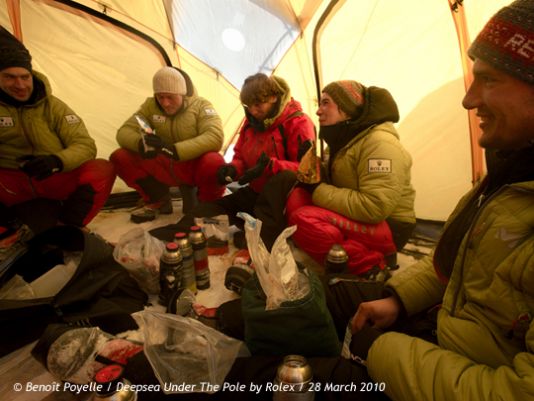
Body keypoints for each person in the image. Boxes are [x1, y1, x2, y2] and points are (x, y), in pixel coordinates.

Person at [343, 1, 534, 399]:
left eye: (490, 79)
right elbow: (462, 263)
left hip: (454, 364)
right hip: (445, 328)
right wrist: (400, 299)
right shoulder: (509, 174)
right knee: (329, 298)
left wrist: (384, 352)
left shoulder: (377, 143)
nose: (468, 100)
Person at [151, 73, 316, 249]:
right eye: (248, 106)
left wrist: (271, 166)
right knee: (211, 210)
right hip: (254, 193)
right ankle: (168, 235)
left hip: (281, 201)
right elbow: (240, 156)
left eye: (258, 105)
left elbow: (307, 171)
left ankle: (263, 236)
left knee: (283, 180)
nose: (252, 111)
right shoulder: (251, 122)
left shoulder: (298, 122)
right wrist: (233, 169)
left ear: (274, 98)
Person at [286, 80, 416, 277]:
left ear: (346, 110)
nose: (318, 111)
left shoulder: (379, 144)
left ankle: (370, 267)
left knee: (304, 218)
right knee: (297, 198)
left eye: (326, 103)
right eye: (319, 104)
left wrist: (317, 189)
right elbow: (339, 180)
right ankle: (349, 248)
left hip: (390, 224)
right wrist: (312, 167)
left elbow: (375, 206)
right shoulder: (344, 140)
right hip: (363, 218)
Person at [0, 27, 115, 229]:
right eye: (10, 77)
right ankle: (7, 230)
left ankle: (69, 227)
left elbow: (84, 144)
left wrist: (56, 161)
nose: (20, 85)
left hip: (52, 177)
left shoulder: (53, 106)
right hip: (11, 184)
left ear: (31, 75)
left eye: (24, 77)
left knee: (102, 168)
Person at [110, 66, 226, 223]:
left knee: (214, 161)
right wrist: (140, 144)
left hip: (192, 166)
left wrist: (175, 150)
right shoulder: (150, 107)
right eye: (160, 97)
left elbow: (215, 137)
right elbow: (124, 131)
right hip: (166, 166)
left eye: (170, 97)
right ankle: (158, 199)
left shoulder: (201, 106)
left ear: (182, 93)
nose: (165, 103)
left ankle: (206, 205)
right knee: (120, 157)